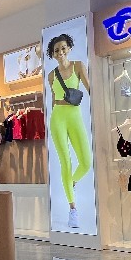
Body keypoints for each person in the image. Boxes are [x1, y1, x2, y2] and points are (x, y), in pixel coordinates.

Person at [47, 33, 92, 229]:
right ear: (53, 54)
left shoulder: (78, 66)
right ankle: (73, 209)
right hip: (58, 117)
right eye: (56, 50)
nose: (60, 52)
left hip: (75, 116)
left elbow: (90, 90)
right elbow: (53, 100)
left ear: (69, 48)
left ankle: (71, 182)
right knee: (65, 162)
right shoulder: (51, 75)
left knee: (86, 162)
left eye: (63, 48)